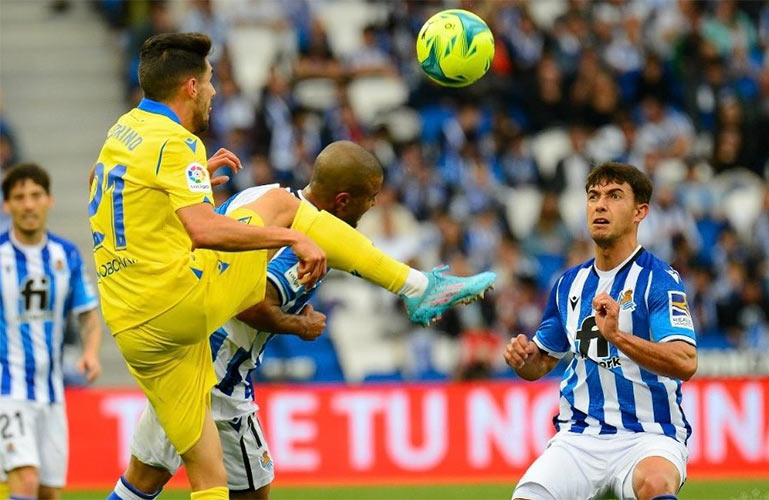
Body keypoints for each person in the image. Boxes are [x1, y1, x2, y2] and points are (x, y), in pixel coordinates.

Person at [90, 32, 494, 500]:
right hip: (181, 311)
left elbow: (119, 194)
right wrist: (292, 238)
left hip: (134, 326)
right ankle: (417, 286)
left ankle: (417, 286)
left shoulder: (124, 132)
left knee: (198, 480)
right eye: (211, 81)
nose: (216, 92)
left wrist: (185, 176)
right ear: (191, 87)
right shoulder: (175, 144)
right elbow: (205, 232)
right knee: (284, 207)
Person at [112, 141, 385, 500]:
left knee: (143, 478)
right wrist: (301, 326)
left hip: (187, 348)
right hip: (220, 370)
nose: (374, 204)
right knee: (252, 491)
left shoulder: (265, 194)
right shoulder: (308, 242)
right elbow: (248, 301)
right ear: (343, 200)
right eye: (370, 196)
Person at [504, 162, 697, 500]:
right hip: (579, 437)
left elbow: (685, 361)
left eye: (614, 196)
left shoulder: (658, 280)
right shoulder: (568, 283)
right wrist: (523, 359)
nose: (600, 205)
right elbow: (541, 363)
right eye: (593, 196)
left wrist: (619, 337)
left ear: (640, 212)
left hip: (649, 435)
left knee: (654, 485)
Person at [0, 164, 102, 500]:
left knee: (48, 492)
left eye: (35, 196)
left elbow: (87, 313)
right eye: (19, 197)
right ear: (7, 206)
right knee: (25, 479)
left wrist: (89, 352)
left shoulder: (65, 255)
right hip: (8, 389)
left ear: (49, 200)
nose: (28, 205)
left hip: (52, 392)